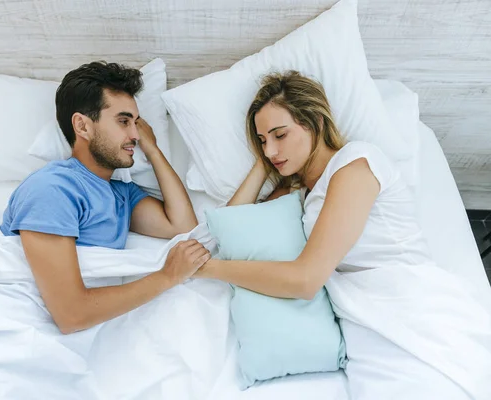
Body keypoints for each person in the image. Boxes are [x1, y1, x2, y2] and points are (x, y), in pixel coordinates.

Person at [193, 71, 489, 397]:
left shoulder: (356, 165)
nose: (271, 149)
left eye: (280, 135)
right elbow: (233, 224)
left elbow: (306, 280)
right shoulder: (298, 193)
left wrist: (210, 269)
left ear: (316, 123)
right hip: (362, 326)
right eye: (263, 141)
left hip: (408, 304)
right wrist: (263, 164)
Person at [0, 61, 210, 334]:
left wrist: (153, 149)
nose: (134, 135)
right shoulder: (52, 189)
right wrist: (168, 276)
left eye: (137, 124)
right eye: (123, 121)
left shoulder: (120, 193)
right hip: (16, 326)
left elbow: (181, 227)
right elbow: (71, 315)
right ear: (83, 126)